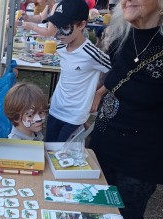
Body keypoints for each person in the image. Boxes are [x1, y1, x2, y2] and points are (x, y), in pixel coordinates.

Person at [89, 0, 163, 219]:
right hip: (100, 148)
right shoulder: (121, 37)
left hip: (139, 160)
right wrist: (98, 93)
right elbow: (117, 76)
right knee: (93, 216)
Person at [44, 0, 111, 142]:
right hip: (55, 109)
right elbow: (69, 74)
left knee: (61, 156)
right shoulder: (61, 48)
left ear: (81, 25)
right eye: (57, 26)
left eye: (65, 27)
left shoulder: (91, 54)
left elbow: (115, 71)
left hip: (74, 116)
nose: (58, 34)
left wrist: (99, 92)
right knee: (47, 148)